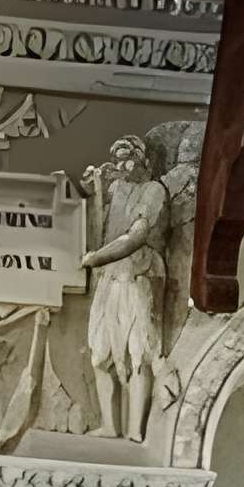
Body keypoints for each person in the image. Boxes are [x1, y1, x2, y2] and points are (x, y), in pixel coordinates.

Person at [81, 134, 169, 440]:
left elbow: (137, 235)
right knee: (100, 353)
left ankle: (134, 431)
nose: (121, 165)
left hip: (137, 276)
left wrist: (98, 257)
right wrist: (96, 195)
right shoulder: (117, 189)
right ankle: (109, 424)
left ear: (143, 160)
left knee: (137, 352)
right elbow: (100, 236)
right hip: (109, 278)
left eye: (127, 158)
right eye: (117, 159)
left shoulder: (154, 191)